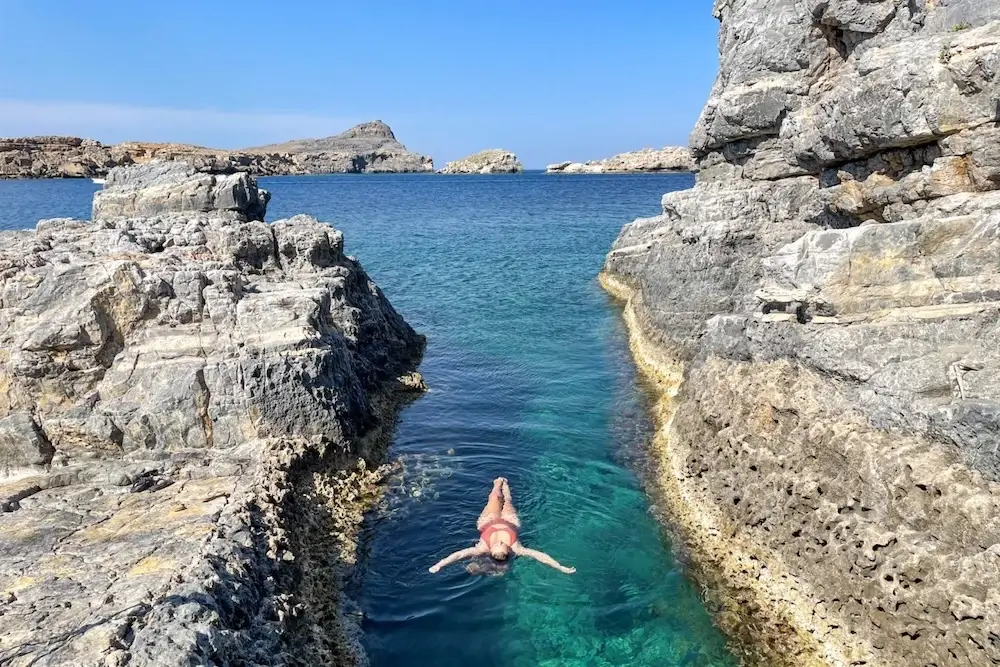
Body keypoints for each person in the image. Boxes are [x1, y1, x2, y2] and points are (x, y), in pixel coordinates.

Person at [428, 477, 576, 574]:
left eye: (497, 545)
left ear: (490, 551)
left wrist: (440, 564)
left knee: (494, 497)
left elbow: (459, 554)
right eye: (502, 544)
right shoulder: (516, 548)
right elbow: (539, 556)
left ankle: (496, 484)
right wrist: (559, 566)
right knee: (507, 500)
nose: (499, 542)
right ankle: (505, 484)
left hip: (488, 521)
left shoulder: (481, 548)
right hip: (510, 521)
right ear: (508, 551)